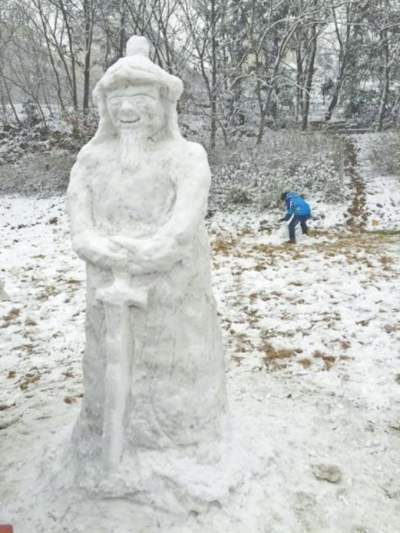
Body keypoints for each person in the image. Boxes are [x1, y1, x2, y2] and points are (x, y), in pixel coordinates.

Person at [67, 36, 227, 471]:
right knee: (109, 363)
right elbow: (81, 226)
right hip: (107, 289)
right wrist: (105, 251)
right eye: (116, 100)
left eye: (139, 98)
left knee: (170, 364)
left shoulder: (187, 157)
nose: (126, 110)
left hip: (173, 292)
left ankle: (179, 440)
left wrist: (142, 255)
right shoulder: (91, 160)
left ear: (163, 103)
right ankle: (106, 433)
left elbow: (180, 230)